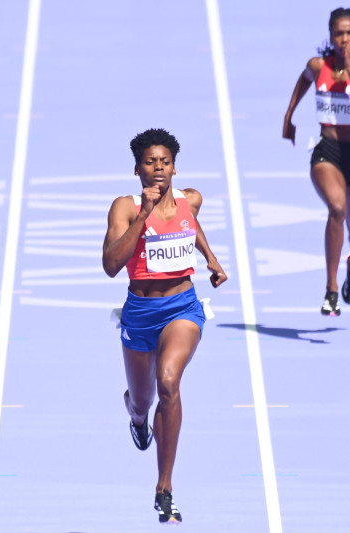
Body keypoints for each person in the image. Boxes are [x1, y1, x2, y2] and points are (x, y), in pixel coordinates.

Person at [102, 128, 227, 523]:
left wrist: (211, 258)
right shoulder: (124, 207)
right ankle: (137, 418)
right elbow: (110, 265)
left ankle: (164, 487)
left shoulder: (191, 199)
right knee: (142, 402)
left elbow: (192, 224)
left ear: (174, 166)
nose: (158, 168)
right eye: (150, 162)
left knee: (168, 382)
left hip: (182, 308)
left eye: (165, 161)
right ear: (137, 169)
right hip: (139, 313)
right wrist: (144, 216)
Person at [282, 7, 350, 316]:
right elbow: (304, 78)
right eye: (339, 33)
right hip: (328, 151)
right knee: (337, 208)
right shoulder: (319, 65)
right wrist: (289, 116)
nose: (344, 39)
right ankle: (331, 288)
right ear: (331, 36)